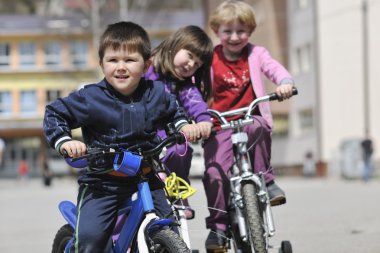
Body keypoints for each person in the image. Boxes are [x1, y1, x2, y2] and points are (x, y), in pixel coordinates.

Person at [43, 21, 202, 253]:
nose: (121, 67)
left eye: (130, 60)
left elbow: (173, 112)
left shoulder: (155, 93)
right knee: (92, 240)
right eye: (113, 60)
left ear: (146, 64)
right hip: (103, 182)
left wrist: (184, 126)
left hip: (147, 177)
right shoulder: (91, 97)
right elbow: (55, 113)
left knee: (170, 229)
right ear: (101, 64)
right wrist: (65, 141)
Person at [202, 0, 296, 249]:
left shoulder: (256, 53)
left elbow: (273, 68)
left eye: (241, 31)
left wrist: (284, 82)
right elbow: (193, 84)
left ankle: (266, 179)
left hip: (249, 116)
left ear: (251, 31)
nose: (234, 37)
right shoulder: (209, 57)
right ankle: (219, 227)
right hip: (219, 123)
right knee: (214, 173)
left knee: (259, 126)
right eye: (227, 31)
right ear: (216, 31)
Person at [145, 25, 214, 219]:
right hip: (141, 135)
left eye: (198, 64)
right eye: (190, 55)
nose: (191, 65)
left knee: (181, 149)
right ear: (175, 44)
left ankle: (179, 190)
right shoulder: (146, 68)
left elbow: (195, 102)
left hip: (167, 136)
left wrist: (203, 121)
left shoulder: (182, 84)